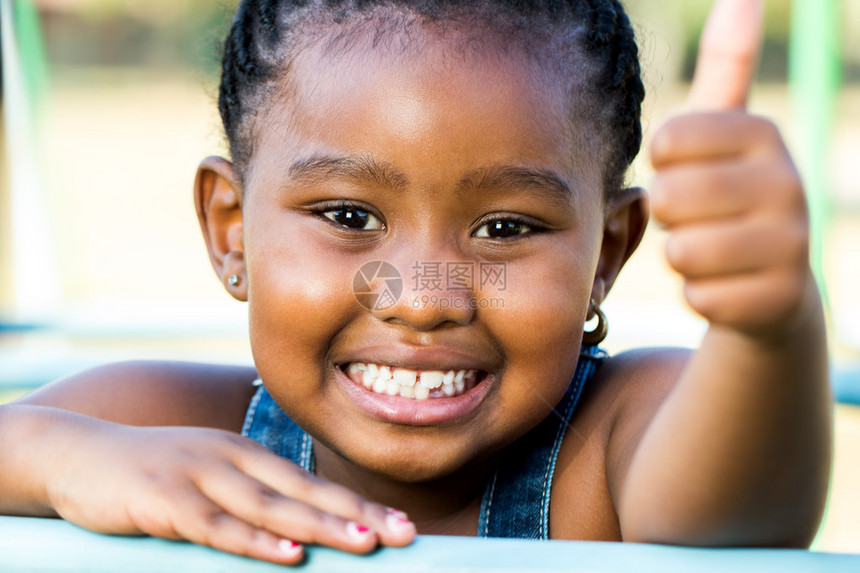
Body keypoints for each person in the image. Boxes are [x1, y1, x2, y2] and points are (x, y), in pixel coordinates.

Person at [0, 0, 831, 566]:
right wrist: (61, 456)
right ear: (231, 228)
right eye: (348, 216)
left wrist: (767, 329)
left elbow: (734, 517)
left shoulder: (618, 441)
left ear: (607, 253)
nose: (424, 299)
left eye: (506, 228)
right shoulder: (171, 426)